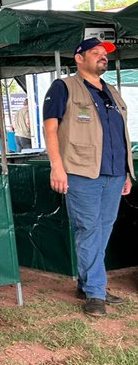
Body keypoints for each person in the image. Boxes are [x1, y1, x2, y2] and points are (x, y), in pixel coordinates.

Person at [43, 37, 133, 317]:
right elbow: (50, 129)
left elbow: (121, 134)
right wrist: (57, 167)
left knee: (103, 230)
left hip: (115, 173)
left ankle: (87, 283)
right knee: (90, 229)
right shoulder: (63, 87)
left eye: (104, 54)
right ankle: (96, 292)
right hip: (82, 172)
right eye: (95, 53)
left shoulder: (112, 91)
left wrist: (127, 173)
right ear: (79, 58)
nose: (102, 57)